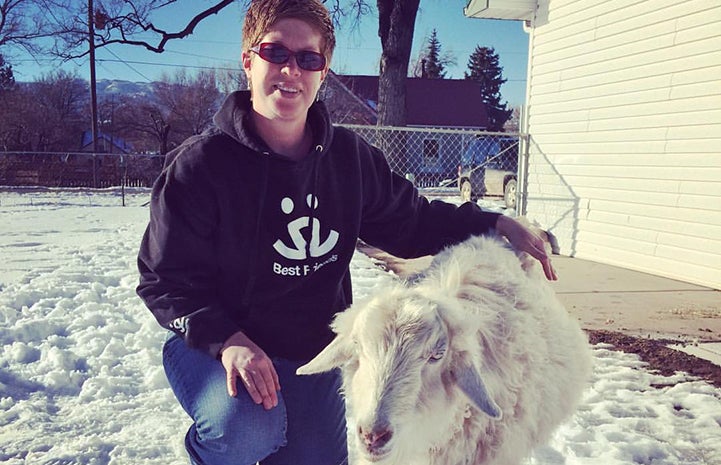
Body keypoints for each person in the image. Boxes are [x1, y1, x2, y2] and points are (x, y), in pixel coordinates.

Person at [136, 0, 556, 464]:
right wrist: (228, 341)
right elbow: (164, 282)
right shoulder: (200, 167)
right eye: (275, 53)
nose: (290, 70)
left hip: (311, 351)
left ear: (323, 71)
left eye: (308, 59)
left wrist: (495, 221)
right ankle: (209, 454)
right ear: (248, 59)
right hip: (218, 347)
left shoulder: (350, 160)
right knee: (247, 430)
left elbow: (412, 221)